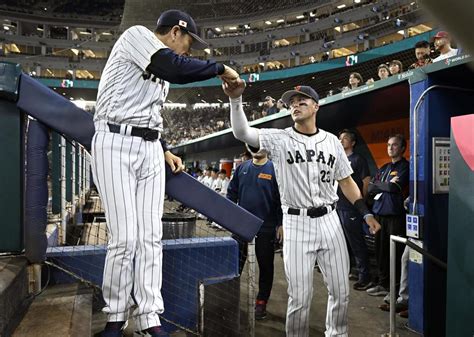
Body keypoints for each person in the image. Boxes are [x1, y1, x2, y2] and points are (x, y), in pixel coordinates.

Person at [92, 9, 239, 337]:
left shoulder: (160, 67)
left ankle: (149, 318)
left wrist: (165, 146)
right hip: (114, 142)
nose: (188, 49)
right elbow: (172, 66)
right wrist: (221, 68)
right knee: (125, 239)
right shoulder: (137, 37)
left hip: (149, 147)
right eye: (188, 41)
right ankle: (115, 317)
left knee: (150, 238)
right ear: (176, 31)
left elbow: (150, 112)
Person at [222, 81, 381, 337]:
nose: (295, 104)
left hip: (330, 220)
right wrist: (235, 100)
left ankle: (337, 334)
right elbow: (242, 132)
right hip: (296, 222)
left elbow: (347, 181)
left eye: (302, 100)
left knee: (340, 291)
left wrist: (366, 212)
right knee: (299, 296)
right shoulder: (279, 138)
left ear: (316, 106)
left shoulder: (331, 141)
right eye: (292, 102)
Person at [226, 148, 283, 320]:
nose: (257, 148)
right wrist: (230, 216)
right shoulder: (242, 168)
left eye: (260, 144)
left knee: (265, 266)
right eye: (253, 145)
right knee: (234, 265)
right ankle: (229, 299)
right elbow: (231, 193)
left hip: (266, 228)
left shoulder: (275, 169)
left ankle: (261, 302)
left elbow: (282, 199)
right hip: (241, 227)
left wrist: (281, 224)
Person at [366, 134, 409, 297]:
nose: (391, 148)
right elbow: (370, 189)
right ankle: (383, 284)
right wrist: (385, 185)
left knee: (395, 253)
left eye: (395, 145)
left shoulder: (405, 167)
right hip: (379, 217)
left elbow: (395, 188)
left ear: (403, 148)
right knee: (380, 252)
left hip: (395, 217)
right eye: (389, 145)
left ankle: (395, 289)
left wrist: (381, 185)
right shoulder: (384, 168)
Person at [337, 129, 372, 291]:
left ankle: (365, 277)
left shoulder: (358, 159)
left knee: (357, 243)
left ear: (352, 143)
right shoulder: (338, 159)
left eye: (345, 138)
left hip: (352, 208)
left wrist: (362, 203)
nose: (341, 140)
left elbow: (366, 181)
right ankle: (354, 270)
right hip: (339, 207)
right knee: (343, 242)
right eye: (340, 138)